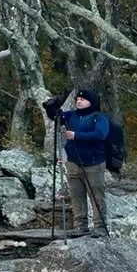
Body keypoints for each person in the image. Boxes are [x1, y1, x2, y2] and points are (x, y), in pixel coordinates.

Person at [42, 88, 111, 236]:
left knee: (96, 195)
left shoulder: (99, 118)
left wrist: (76, 135)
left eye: (83, 99)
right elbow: (56, 117)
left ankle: (100, 226)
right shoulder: (71, 116)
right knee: (76, 194)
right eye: (77, 99)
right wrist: (50, 106)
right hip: (73, 162)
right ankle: (80, 226)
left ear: (91, 102)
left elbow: (100, 135)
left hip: (94, 163)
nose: (79, 101)